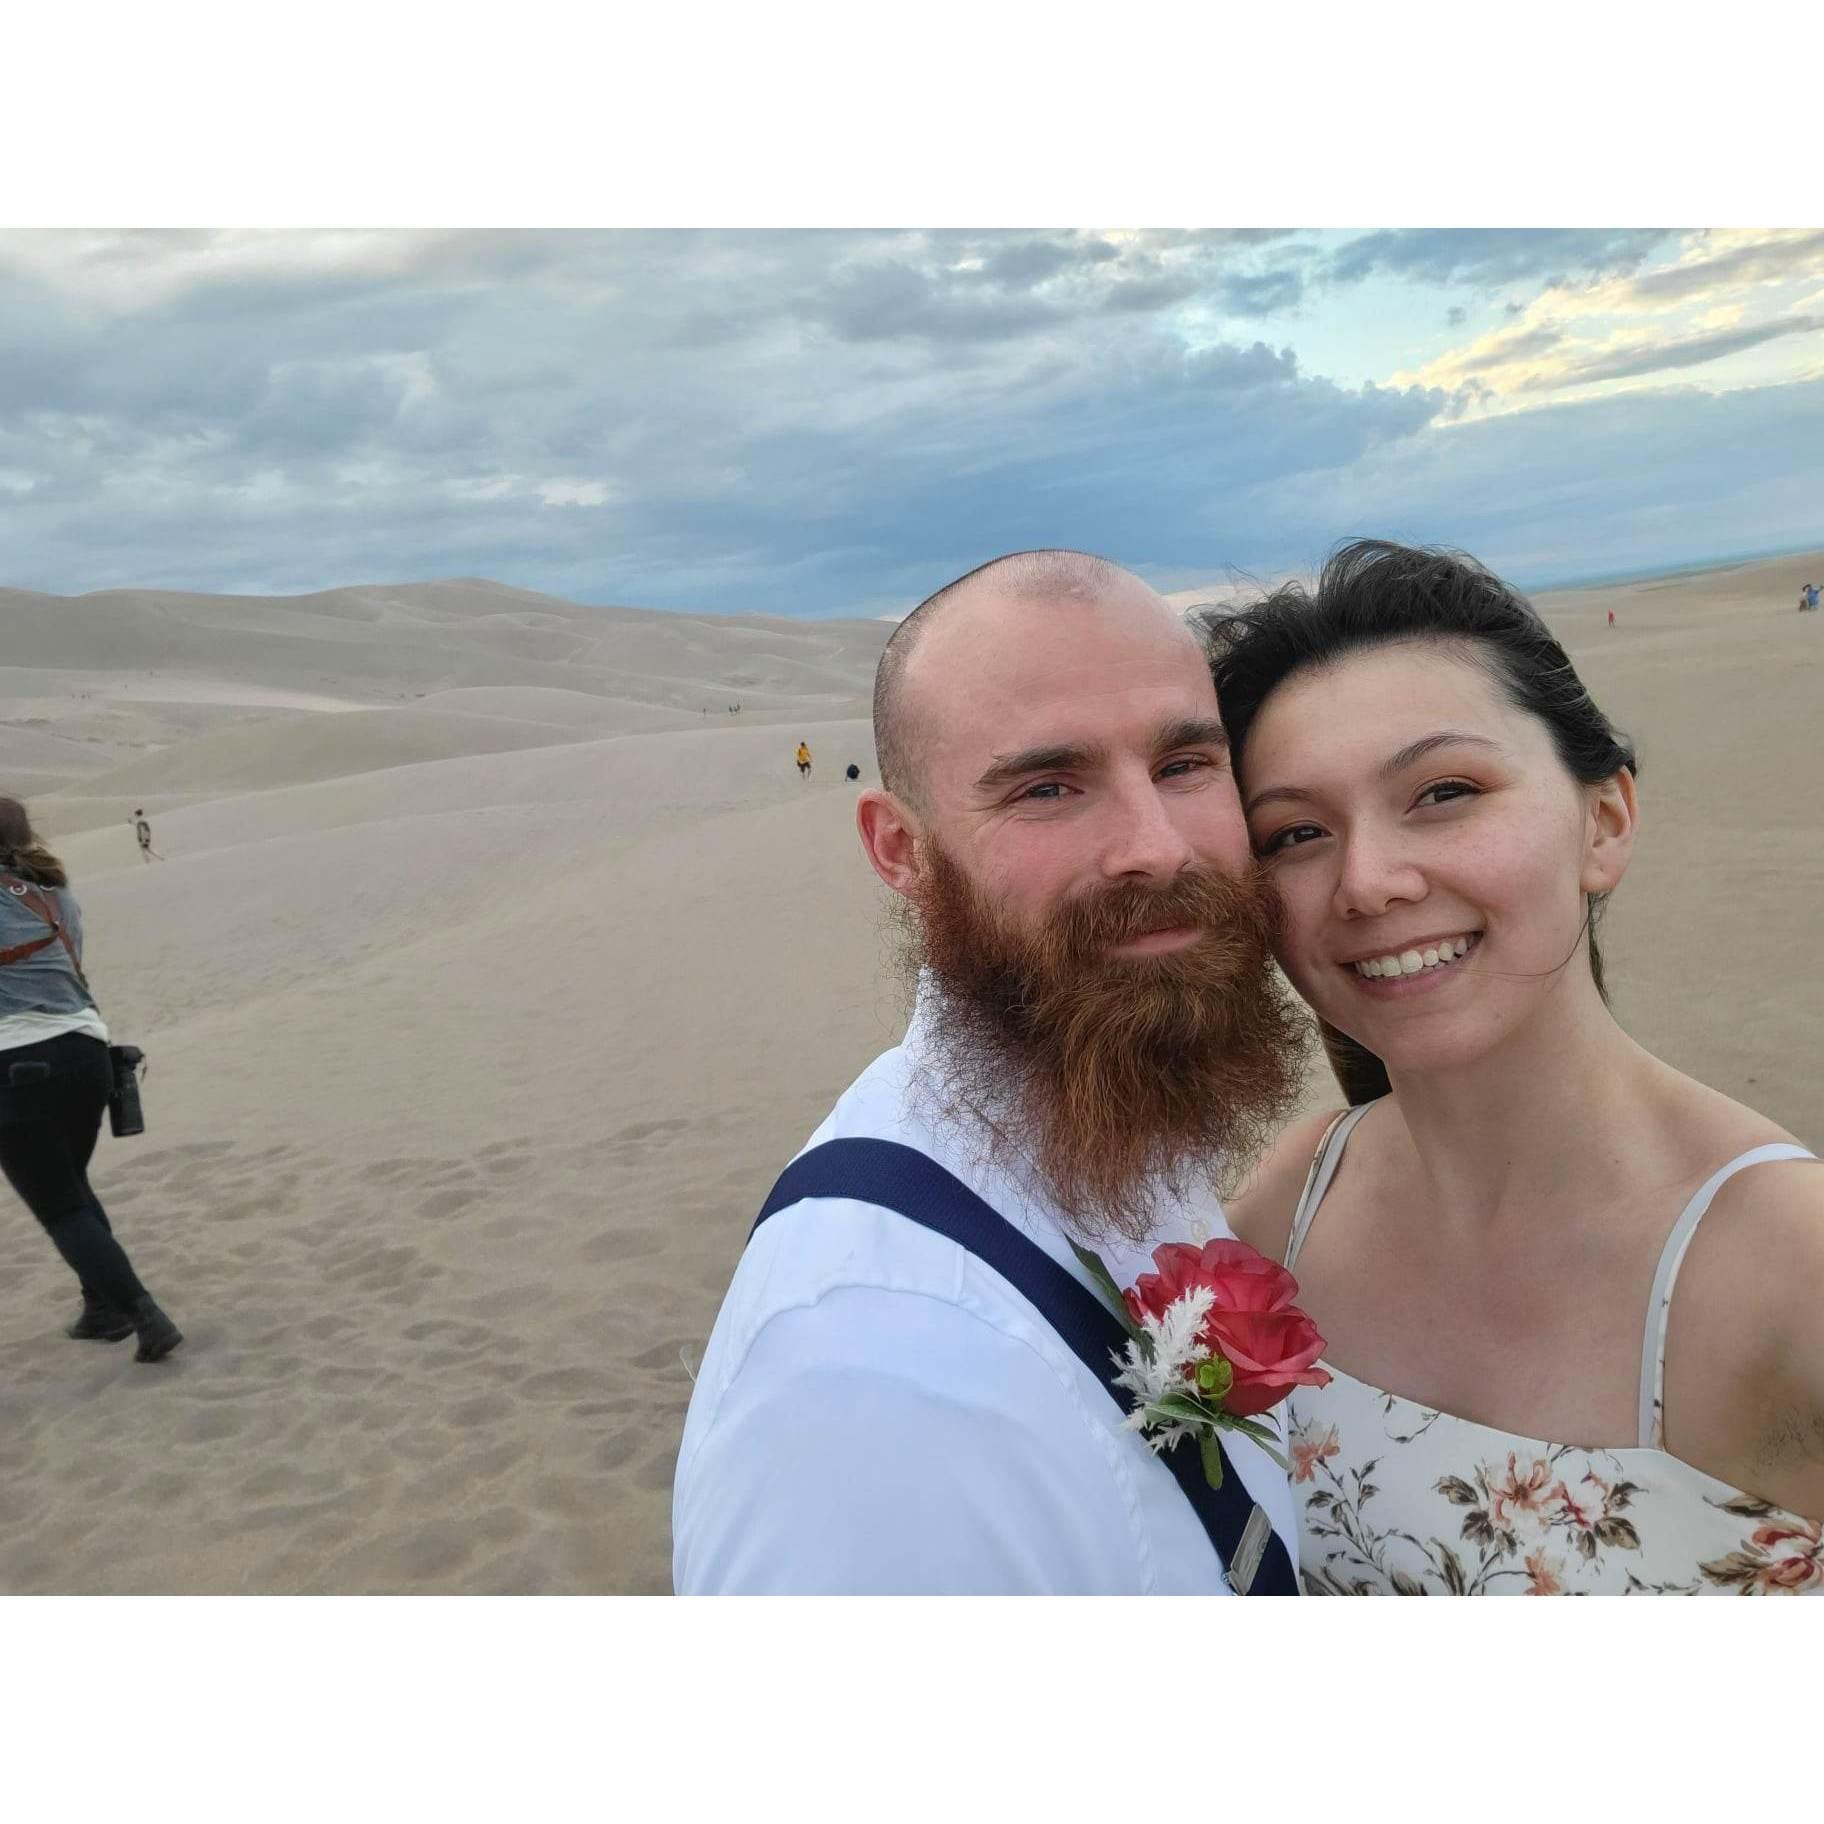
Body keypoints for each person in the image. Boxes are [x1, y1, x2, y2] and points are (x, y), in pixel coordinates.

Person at [674, 551, 1316, 1594]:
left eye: (1185, 765)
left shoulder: (1111, 1113)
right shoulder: (872, 1388)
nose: (1154, 847)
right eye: (1048, 787)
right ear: (901, 850)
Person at [1207, 540, 1821, 1595]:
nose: (1367, 881)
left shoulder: (1792, 1276)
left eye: (1444, 791)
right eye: (1297, 832)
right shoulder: (1287, 1208)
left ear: (1605, 821)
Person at [0, 797, 182, 1362]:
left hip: (15, 1062)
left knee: (60, 1206)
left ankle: (140, 1311)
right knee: (70, 1187)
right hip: (85, 1054)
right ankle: (101, 1308)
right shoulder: (57, 897)